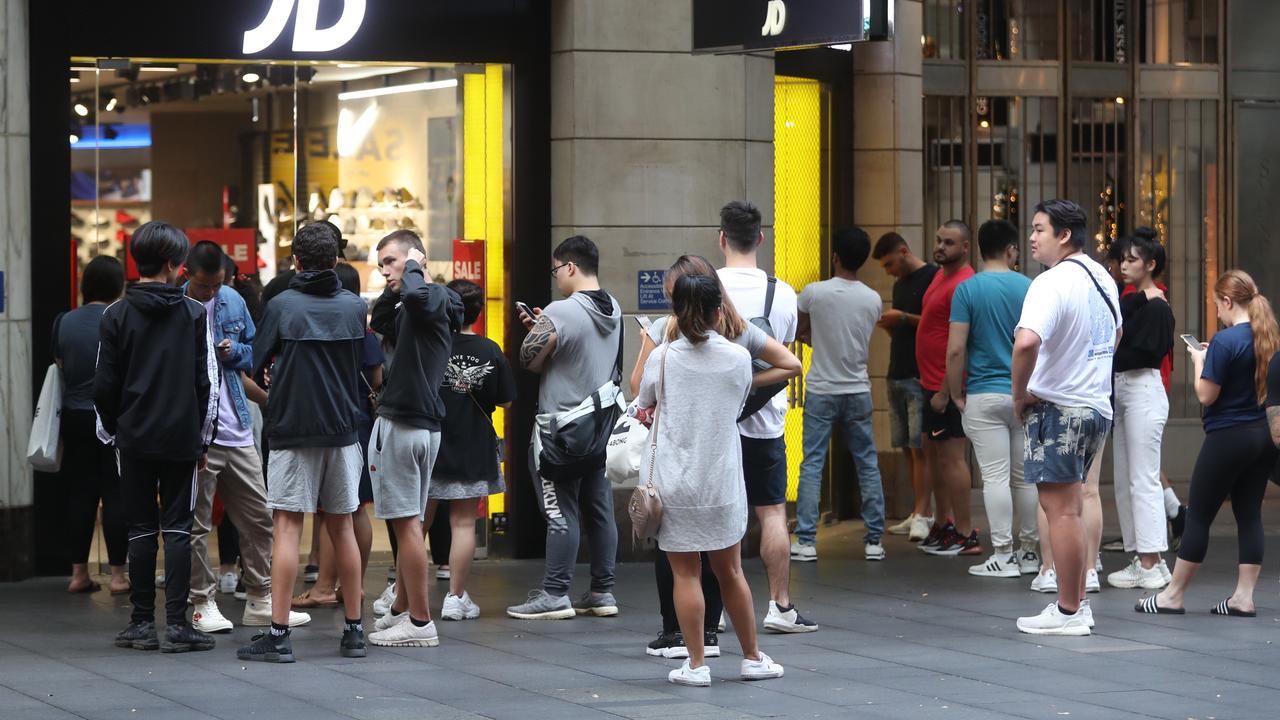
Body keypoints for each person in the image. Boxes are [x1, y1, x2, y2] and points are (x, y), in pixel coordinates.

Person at [629, 255, 801, 658]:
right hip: (723, 477)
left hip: (674, 478)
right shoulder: (740, 355)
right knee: (731, 572)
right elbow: (777, 370)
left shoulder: (663, 354)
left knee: (683, 572)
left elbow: (642, 396)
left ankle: (694, 661)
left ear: (676, 305)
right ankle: (752, 657)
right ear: (717, 306)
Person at [239, 222, 369, 662]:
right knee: (343, 526)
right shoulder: (354, 307)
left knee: (288, 528)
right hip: (343, 429)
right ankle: (354, 630)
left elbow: (254, 364)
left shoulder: (281, 305)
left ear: (295, 260)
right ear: (335, 260)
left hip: (293, 429)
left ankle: (278, 634)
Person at [95, 221, 218, 653]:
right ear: (171, 264)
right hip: (182, 437)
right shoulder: (193, 314)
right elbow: (207, 383)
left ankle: (142, 622)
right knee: (179, 529)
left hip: (133, 438)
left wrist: (114, 431)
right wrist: (203, 440)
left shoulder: (116, 314)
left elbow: (104, 386)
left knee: (141, 528)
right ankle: (179, 625)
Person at [180, 241, 309, 634]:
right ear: (187, 276)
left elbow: (255, 351)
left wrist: (233, 349)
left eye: (218, 284)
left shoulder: (233, 301)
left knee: (259, 517)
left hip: (236, 425)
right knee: (196, 522)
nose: (212, 293)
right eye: (205, 287)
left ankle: (260, 595)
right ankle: (202, 600)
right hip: (196, 430)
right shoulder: (175, 307)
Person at [1136, 270, 1280, 617]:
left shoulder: (1225, 341)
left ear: (1228, 302)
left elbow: (1206, 394)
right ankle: (1242, 598)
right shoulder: (1269, 338)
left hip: (1227, 437)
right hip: (1260, 437)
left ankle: (1173, 595)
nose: (1217, 312)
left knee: (1199, 514)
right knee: (1249, 516)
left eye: (1218, 305)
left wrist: (1201, 360)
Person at [1012, 199, 1119, 636]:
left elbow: (1025, 343)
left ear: (1064, 236)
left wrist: (1020, 393)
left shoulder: (1051, 282)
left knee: (1061, 512)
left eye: (1039, 229)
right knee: (1072, 508)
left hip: (1059, 409)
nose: (1032, 238)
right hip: (1095, 406)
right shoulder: (1103, 279)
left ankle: (1070, 610)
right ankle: (1076, 606)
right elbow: (1115, 335)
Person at [507, 235, 622, 620]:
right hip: (598, 426)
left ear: (570, 266)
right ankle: (602, 591)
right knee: (600, 509)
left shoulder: (563, 310)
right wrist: (547, 326)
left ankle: (556, 592)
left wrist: (541, 328)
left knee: (560, 510)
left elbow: (530, 359)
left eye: (557, 269)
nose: (557, 277)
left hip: (560, 431)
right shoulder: (613, 307)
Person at [715, 201, 814, 634]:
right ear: (760, 238)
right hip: (767, 422)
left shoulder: (705, 286)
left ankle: (720, 606)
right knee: (772, 513)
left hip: (717, 422)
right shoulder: (783, 292)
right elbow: (785, 350)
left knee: (720, 516)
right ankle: (781, 606)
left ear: (721, 239)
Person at [365, 229, 463, 646]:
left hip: (407, 423)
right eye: (382, 263)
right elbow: (381, 320)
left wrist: (413, 267)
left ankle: (420, 622)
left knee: (406, 524)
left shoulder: (431, 295)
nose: (384, 269)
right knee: (408, 523)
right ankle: (404, 607)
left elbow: (420, 298)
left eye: (390, 260)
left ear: (413, 259)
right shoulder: (414, 303)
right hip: (413, 422)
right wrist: (398, 282)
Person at [943, 220, 1038, 578]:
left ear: (978, 248)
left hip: (982, 393)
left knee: (995, 477)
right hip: (1024, 392)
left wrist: (955, 393)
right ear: (1012, 249)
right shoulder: (1029, 287)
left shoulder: (967, 289)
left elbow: (955, 350)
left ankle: (1003, 554)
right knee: (1025, 477)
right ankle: (1030, 553)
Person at [290, 262, 384, 610]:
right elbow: (375, 378)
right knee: (355, 509)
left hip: (337, 424)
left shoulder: (320, 324)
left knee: (336, 511)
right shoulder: (363, 329)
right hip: (359, 421)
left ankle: (326, 586)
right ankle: (351, 585)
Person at [794, 228, 886, 561]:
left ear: (835, 256)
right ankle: (874, 540)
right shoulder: (873, 299)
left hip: (821, 388)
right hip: (858, 389)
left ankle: (805, 540)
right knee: (868, 464)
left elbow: (798, 327)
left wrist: (811, 337)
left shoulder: (814, 293)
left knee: (812, 464)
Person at [426, 279, 515, 621]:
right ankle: (455, 597)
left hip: (431, 441)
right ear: (477, 314)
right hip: (472, 442)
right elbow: (505, 399)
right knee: (463, 523)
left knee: (417, 521)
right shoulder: (490, 349)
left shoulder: (431, 345)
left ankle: (402, 594)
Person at [1105, 229, 1175, 590]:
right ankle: (1150, 560)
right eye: (1124, 258)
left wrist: (1109, 353)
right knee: (1128, 479)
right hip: (1130, 391)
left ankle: (1148, 562)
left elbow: (1144, 354)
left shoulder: (1157, 306)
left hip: (1142, 390)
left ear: (1150, 264)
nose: (1124, 265)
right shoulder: (1135, 302)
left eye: (1132, 259)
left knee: (1141, 479)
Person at [56, 256, 129, 595]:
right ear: (119, 286)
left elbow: (60, 364)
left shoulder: (64, 322)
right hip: (112, 417)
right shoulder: (120, 318)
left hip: (74, 417)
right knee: (114, 494)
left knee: (80, 494)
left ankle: (78, 574)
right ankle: (117, 576)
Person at [916, 221, 978, 556]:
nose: (940, 247)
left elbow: (960, 346)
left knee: (952, 457)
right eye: (939, 240)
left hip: (947, 387)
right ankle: (943, 523)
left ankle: (966, 532)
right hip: (929, 384)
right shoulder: (940, 276)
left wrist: (945, 390)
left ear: (965, 248)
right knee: (936, 455)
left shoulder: (964, 284)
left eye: (949, 243)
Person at [873, 233, 939, 541]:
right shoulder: (900, 285)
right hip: (896, 370)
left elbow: (936, 323)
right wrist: (894, 324)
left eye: (890, 264)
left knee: (919, 446)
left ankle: (924, 513)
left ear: (904, 251)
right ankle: (917, 511)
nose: (889, 271)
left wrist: (903, 318)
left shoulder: (932, 278)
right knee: (905, 446)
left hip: (919, 373)